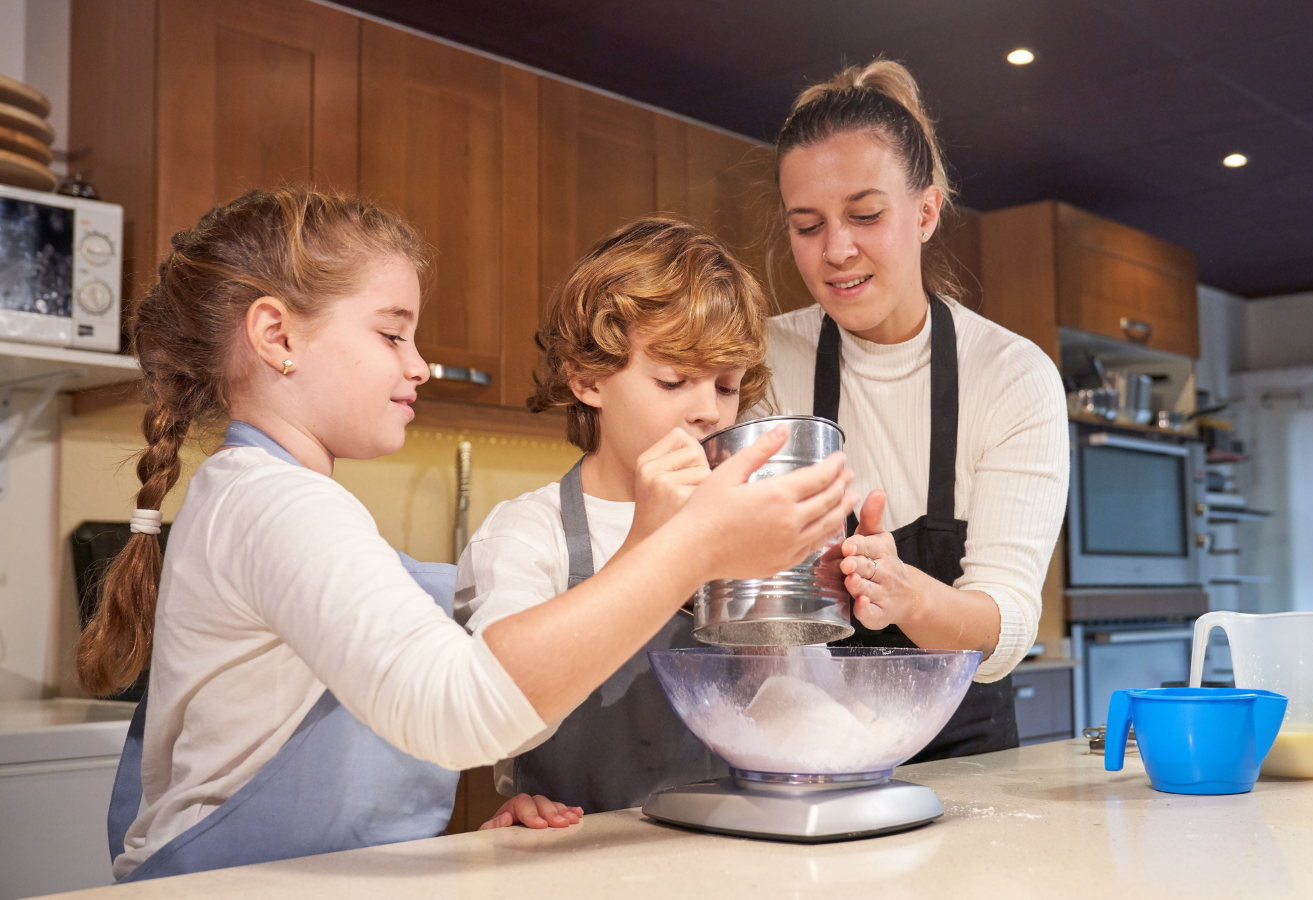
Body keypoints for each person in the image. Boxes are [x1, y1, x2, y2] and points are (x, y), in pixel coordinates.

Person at [78, 187, 854, 881]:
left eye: (725, 385)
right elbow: (461, 709)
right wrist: (688, 546)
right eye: (391, 335)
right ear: (278, 338)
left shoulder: (271, 499)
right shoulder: (277, 507)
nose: (421, 366)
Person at [762, 60, 1070, 760]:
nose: (837, 251)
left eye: (866, 215)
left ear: (926, 212)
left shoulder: (1012, 378)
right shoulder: (763, 359)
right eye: (807, 226)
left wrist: (906, 595)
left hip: (968, 763)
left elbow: (1009, 621)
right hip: (802, 745)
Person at [456, 216, 768, 822]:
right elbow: (494, 725)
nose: (708, 411)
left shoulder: (737, 528)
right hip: (582, 863)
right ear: (587, 378)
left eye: (727, 387)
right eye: (674, 380)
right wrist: (650, 550)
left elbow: (791, 713)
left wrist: (804, 591)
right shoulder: (527, 533)